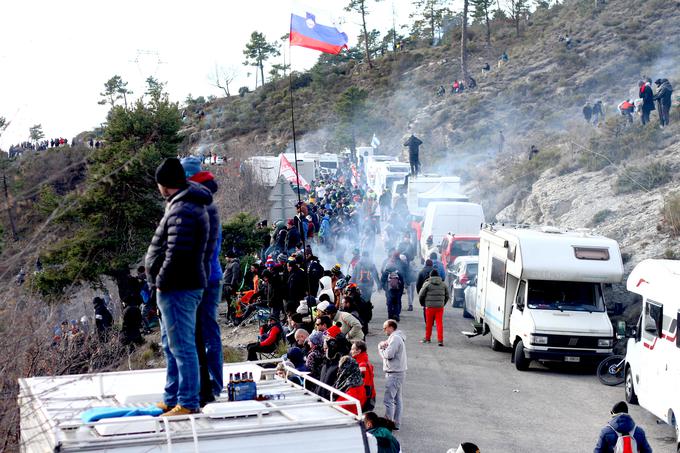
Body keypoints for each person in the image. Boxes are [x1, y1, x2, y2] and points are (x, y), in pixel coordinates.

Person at [145, 157, 212, 416]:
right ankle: (172, 397)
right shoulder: (182, 203)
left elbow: (177, 254)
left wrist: (160, 282)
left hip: (178, 287)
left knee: (182, 347)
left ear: (165, 184)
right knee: (171, 345)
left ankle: (187, 402)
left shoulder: (183, 208)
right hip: (178, 286)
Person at [181, 155, 224, 406]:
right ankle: (210, 385)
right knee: (207, 333)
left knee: (203, 335)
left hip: (203, 280)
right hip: (210, 278)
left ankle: (210, 386)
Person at [378, 320, 407, 430]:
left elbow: (388, 355)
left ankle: (388, 423)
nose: (384, 330)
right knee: (397, 399)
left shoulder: (395, 338)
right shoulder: (396, 337)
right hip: (399, 372)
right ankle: (396, 423)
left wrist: (380, 349)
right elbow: (386, 345)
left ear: (391, 327)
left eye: (385, 328)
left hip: (394, 373)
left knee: (388, 400)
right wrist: (382, 344)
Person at [418, 269, 450, 346]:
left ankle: (427, 338)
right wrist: (443, 304)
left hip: (429, 307)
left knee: (429, 323)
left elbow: (421, 294)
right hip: (439, 308)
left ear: (430, 276)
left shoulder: (427, 284)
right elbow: (447, 296)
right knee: (439, 324)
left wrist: (423, 303)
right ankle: (440, 340)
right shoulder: (443, 284)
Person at [351, 340, 376, 411]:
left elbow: (364, 385)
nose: (351, 351)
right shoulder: (364, 361)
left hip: (363, 399)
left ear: (358, 351)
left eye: (353, 349)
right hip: (368, 396)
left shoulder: (362, 365)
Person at [381, 256, 405, 322]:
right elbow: (402, 282)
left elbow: (382, 281)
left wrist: (385, 288)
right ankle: (396, 315)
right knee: (396, 303)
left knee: (389, 303)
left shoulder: (386, 273)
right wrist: (401, 290)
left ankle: (390, 316)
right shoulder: (398, 273)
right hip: (397, 290)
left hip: (389, 290)